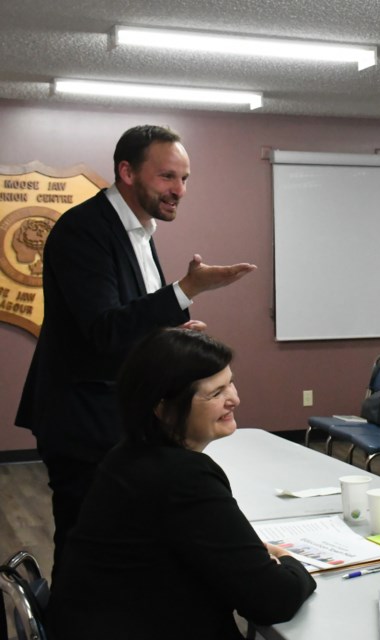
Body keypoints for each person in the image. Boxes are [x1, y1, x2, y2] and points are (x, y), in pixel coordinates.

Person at [15, 124, 257, 578]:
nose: (179, 191)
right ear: (126, 171)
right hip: (84, 419)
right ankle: (74, 620)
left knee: (125, 538)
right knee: (86, 540)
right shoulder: (84, 230)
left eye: (185, 179)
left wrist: (173, 330)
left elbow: (130, 318)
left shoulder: (140, 230)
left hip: (118, 414)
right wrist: (186, 288)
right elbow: (104, 330)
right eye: (167, 177)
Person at [46, 329, 316, 638]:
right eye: (216, 393)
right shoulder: (183, 478)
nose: (235, 399)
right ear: (164, 409)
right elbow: (273, 600)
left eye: (230, 383)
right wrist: (289, 560)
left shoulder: (127, 456)